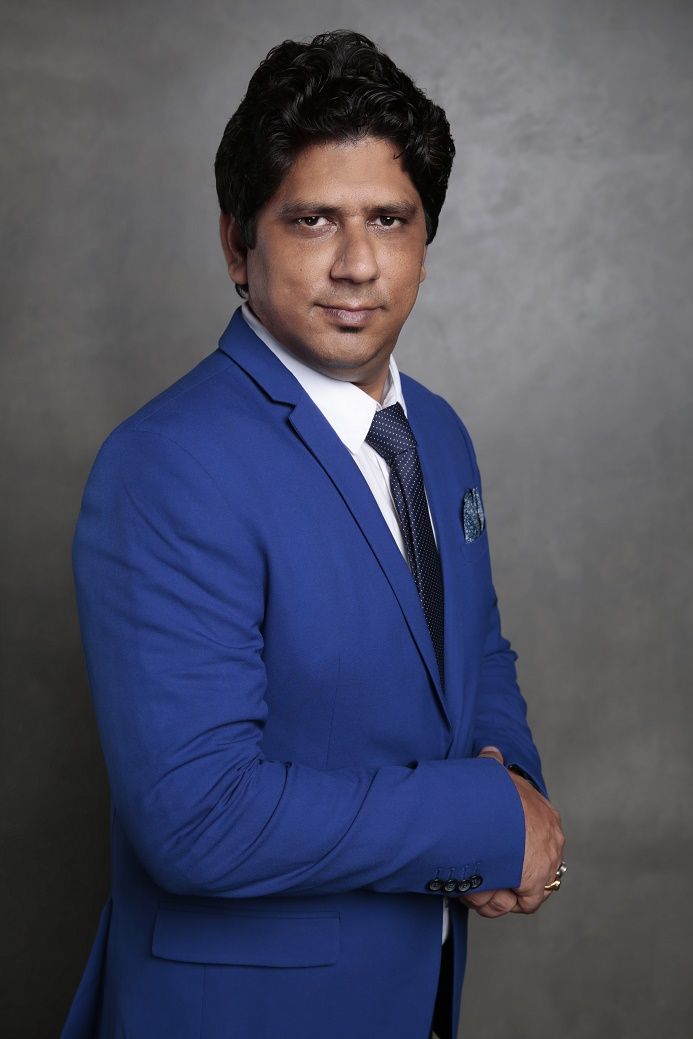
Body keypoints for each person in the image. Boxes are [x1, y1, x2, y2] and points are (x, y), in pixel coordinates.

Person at [61, 29, 565, 1039]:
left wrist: (513, 785)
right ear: (236, 244)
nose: (357, 263)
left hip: (411, 997)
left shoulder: (440, 436)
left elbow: (472, 652)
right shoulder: (167, 463)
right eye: (312, 220)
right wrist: (480, 819)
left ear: (425, 240)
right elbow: (199, 816)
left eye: (389, 219)